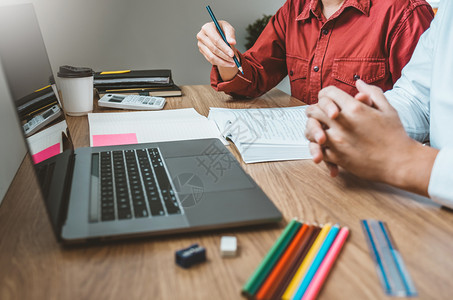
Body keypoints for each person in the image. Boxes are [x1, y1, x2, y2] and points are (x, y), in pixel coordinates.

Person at [304, 0, 453, 208]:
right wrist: (353, 119)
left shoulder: (405, 9)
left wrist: (404, 159)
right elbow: (416, 97)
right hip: (434, 210)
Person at [197, 0, 434, 104]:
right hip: (305, 161)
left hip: (367, 167)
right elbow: (252, 79)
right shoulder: (294, 9)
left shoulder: (405, 12)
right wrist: (222, 54)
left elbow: (424, 110)